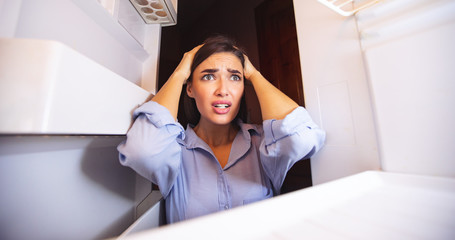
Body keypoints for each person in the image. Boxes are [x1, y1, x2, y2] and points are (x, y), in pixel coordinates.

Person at [117, 36, 325, 223]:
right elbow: (142, 151)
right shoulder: (173, 150)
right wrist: (180, 73)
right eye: (208, 76)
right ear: (189, 88)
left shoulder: (262, 143)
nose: (223, 90)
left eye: (235, 77)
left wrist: (253, 73)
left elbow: (303, 139)